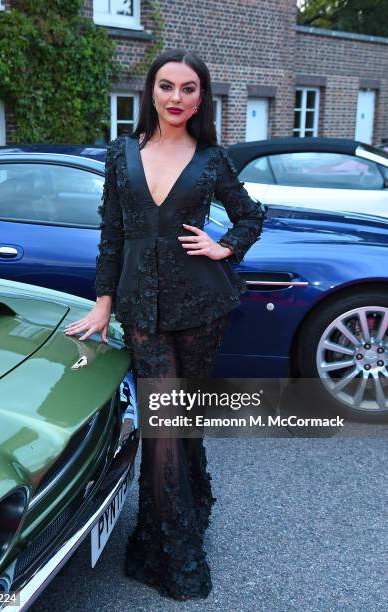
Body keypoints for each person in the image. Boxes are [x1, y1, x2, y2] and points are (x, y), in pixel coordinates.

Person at [64, 48, 266, 601]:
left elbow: (252, 214)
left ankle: (190, 505)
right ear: (151, 91)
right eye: (167, 86)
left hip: (202, 307)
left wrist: (224, 246)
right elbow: (111, 235)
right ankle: (172, 550)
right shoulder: (120, 154)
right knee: (162, 423)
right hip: (141, 310)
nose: (177, 98)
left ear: (201, 97)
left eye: (189, 88)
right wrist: (103, 304)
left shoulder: (211, 159)